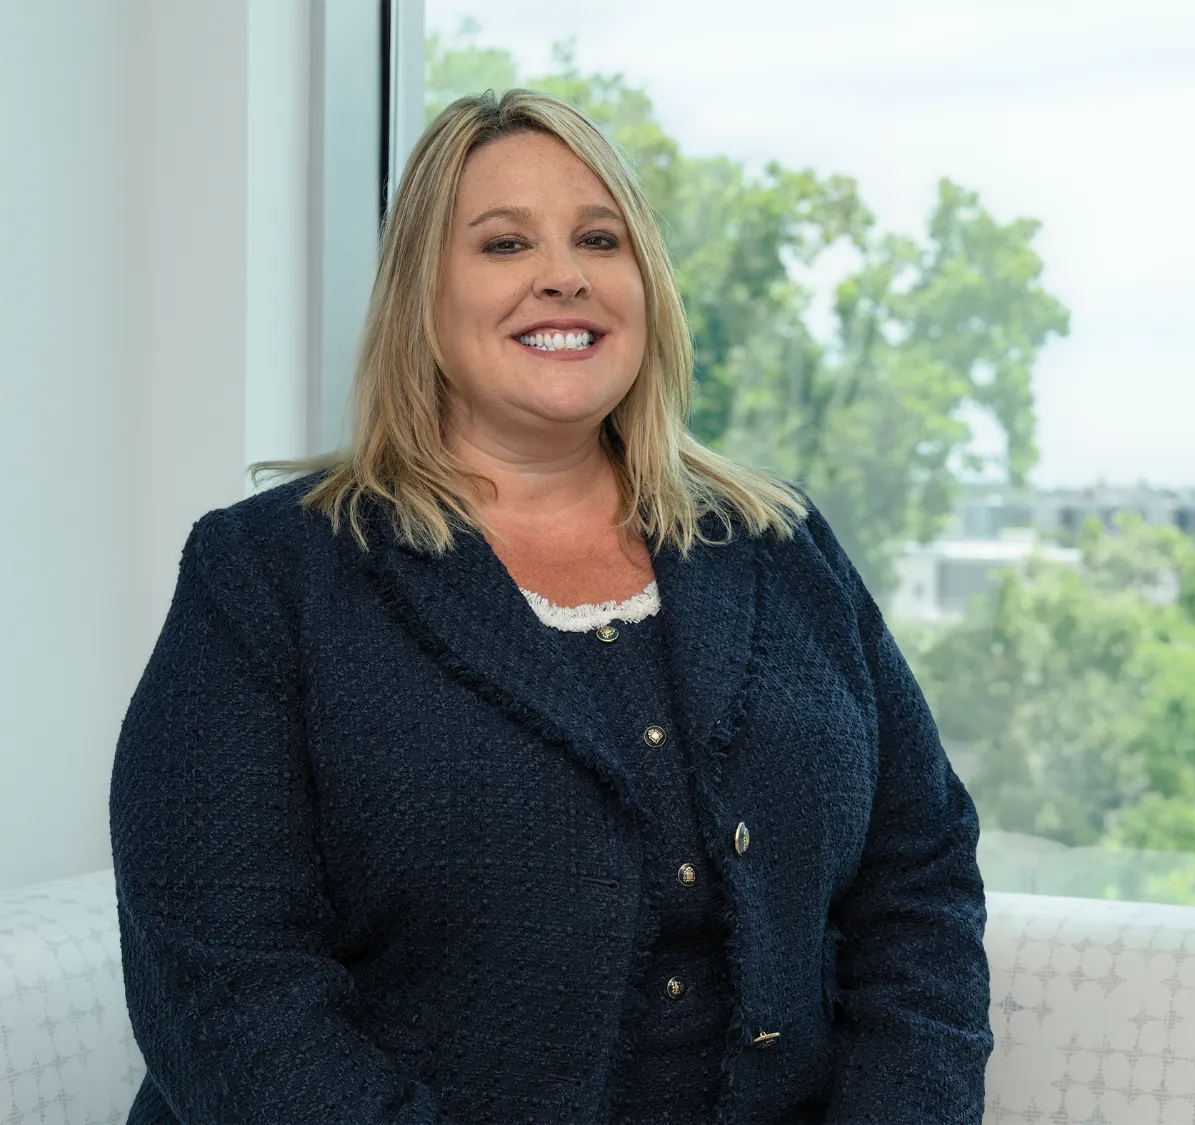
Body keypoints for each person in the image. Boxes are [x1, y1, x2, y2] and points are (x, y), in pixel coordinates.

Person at [108, 87, 993, 1125]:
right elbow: (227, 996)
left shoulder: (781, 546)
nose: (563, 275)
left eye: (599, 239)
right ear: (421, 296)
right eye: (504, 243)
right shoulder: (267, 577)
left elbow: (919, 879)